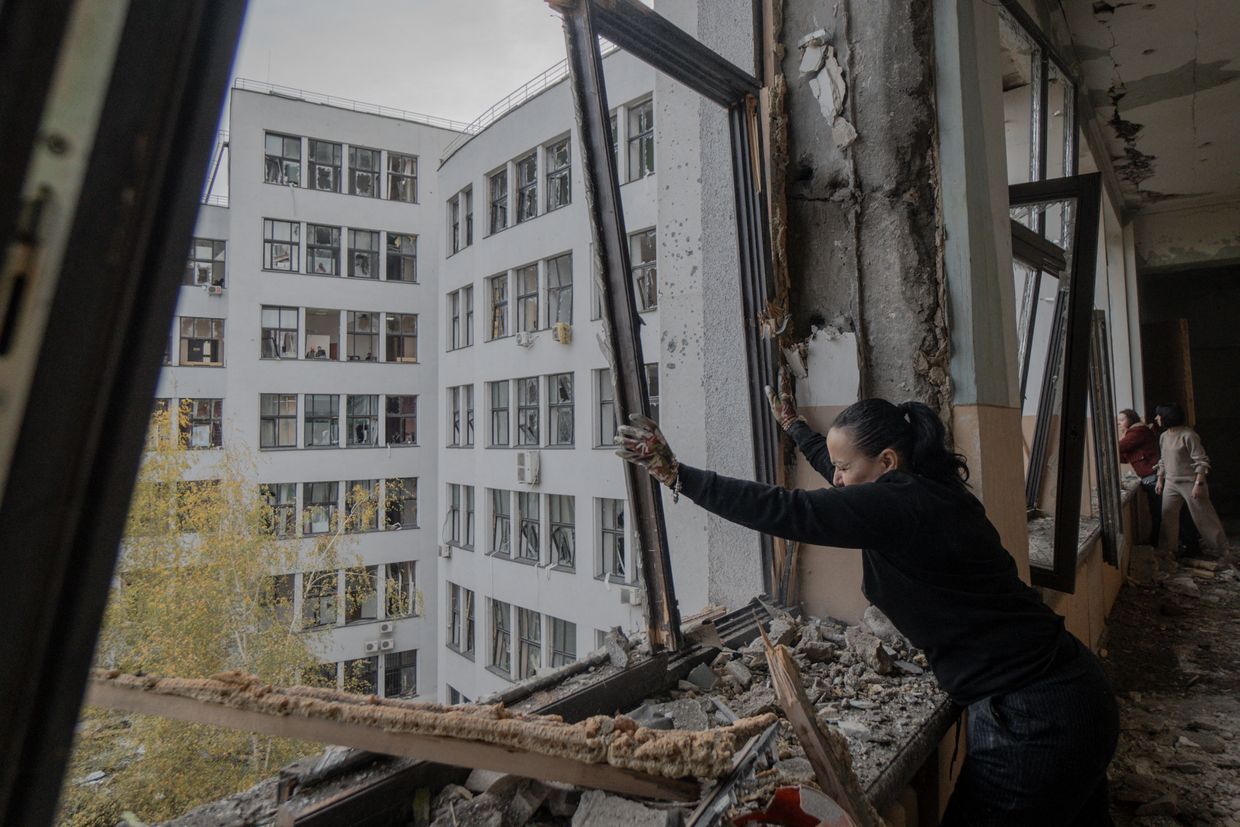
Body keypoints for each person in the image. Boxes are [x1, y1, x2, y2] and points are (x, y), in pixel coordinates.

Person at [616, 387, 1118, 826]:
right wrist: (794, 428)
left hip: (1033, 719)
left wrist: (679, 475)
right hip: (1064, 693)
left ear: (887, 463)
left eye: (843, 467)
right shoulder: (925, 491)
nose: (834, 478)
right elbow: (836, 468)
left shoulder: (902, 505)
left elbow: (792, 510)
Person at [1153, 403, 1230, 559]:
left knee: (1204, 516)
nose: (1156, 418)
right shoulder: (1164, 436)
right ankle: (1169, 551)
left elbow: (1201, 460)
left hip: (1190, 482)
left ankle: (1223, 550)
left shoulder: (1188, 435)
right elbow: (1163, 460)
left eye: (1159, 415)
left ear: (1167, 417)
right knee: (1168, 516)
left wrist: (1198, 484)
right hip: (1171, 482)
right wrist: (1160, 479)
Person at [1117, 408, 1161, 545]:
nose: (1119, 423)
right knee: (1156, 511)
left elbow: (1118, 447)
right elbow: (1123, 457)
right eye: (1118, 421)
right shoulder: (1135, 432)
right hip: (1149, 476)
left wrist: (1122, 438)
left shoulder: (1138, 431)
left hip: (1152, 475)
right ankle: (1156, 541)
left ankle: (1156, 542)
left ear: (1131, 419)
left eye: (1122, 420)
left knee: (1157, 512)